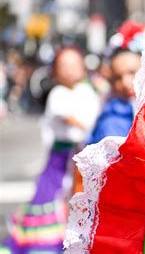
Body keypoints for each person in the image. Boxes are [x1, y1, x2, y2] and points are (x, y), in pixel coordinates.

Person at [1, 47, 100, 253]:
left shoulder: (87, 91)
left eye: (74, 65)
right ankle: (47, 244)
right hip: (60, 158)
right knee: (51, 199)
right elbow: (76, 122)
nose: (70, 70)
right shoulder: (58, 94)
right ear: (55, 71)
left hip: (82, 158)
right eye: (64, 66)